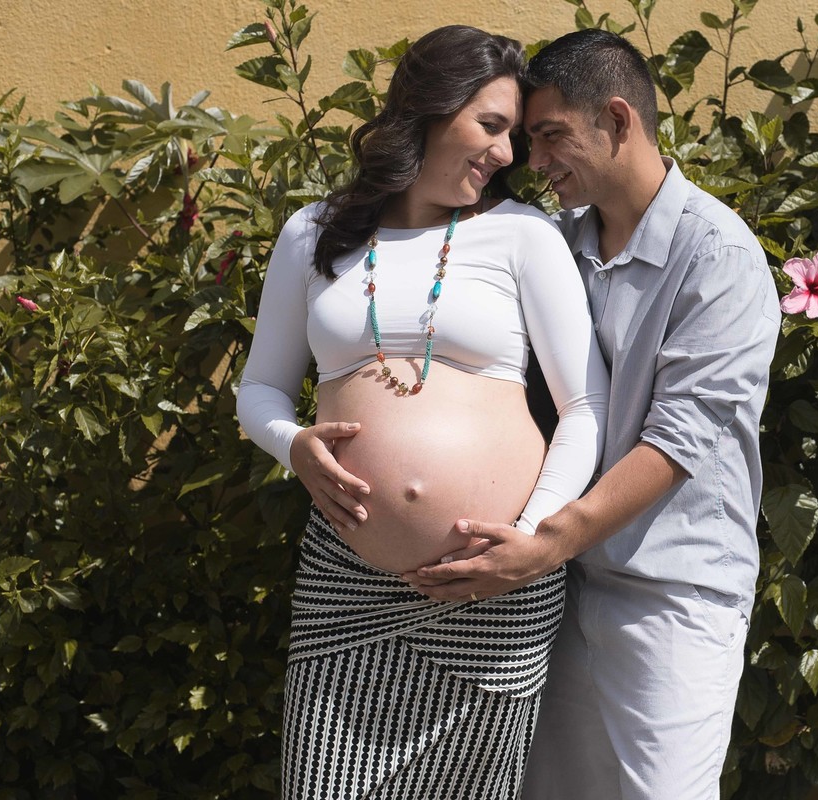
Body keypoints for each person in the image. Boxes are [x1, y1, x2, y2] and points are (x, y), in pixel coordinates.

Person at [400, 29, 782, 800]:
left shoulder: (719, 258)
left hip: (670, 595)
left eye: (549, 137)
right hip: (564, 587)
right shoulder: (555, 242)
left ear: (617, 119)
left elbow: (676, 441)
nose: (531, 162)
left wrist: (541, 547)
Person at [236, 25, 609, 800]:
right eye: (491, 125)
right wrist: (294, 445)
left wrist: (528, 540)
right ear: (430, 111)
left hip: (495, 587)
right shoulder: (314, 232)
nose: (506, 155)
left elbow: (585, 406)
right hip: (349, 583)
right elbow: (260, 390)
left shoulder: (523, 236)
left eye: (513, 134)